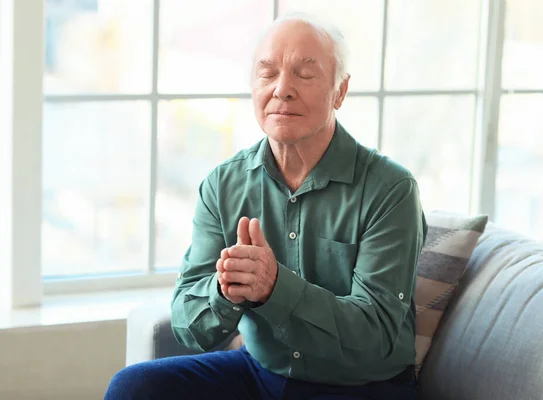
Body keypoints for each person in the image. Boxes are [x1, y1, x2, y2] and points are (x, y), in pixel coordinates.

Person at [105, 13, 427, 400]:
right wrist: (225, 292)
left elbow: (374, 334)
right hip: (260, 374)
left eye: (304, 75)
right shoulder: (224, 184)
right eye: (267, 73)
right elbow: (188, 325)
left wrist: (276, 287)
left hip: (362, 386)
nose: (282, 90)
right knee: (135, 387)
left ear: (340, 91)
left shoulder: (391, 189)